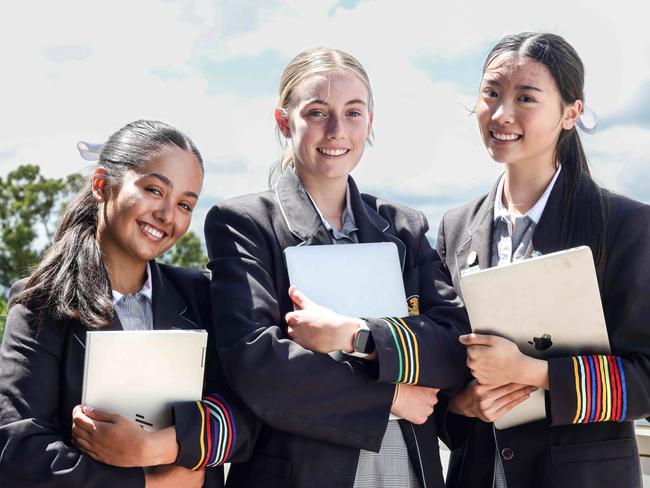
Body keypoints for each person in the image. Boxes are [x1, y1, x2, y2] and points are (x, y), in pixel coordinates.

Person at [204, 47, 470, 488]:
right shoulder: (244, 224)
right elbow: (258, 365)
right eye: (317, 112)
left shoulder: (404, 228)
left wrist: (357, 336)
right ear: (283, 120)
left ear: (370, 123)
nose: (336, 130)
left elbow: (454, 346)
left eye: (352, 113)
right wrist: (389, 397)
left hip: (405, 470)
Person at [437, 32, 650, 488]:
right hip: (475, 470)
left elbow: (647, 375)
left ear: (571, 113)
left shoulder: (626, 226)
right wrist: (461, 403)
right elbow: (445, 357)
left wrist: (532, 372)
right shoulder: (455, 227)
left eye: (526, 98)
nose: (501, 114)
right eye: (491, 93)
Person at [0, 120, 257, 487]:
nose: (168, 216)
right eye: (154, 190)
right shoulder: (41, 304)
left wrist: (158, 448)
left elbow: (247, 414)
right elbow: (16, 450)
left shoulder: (202, 296)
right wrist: (148, 483)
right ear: (102, 185)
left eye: (185, 204)